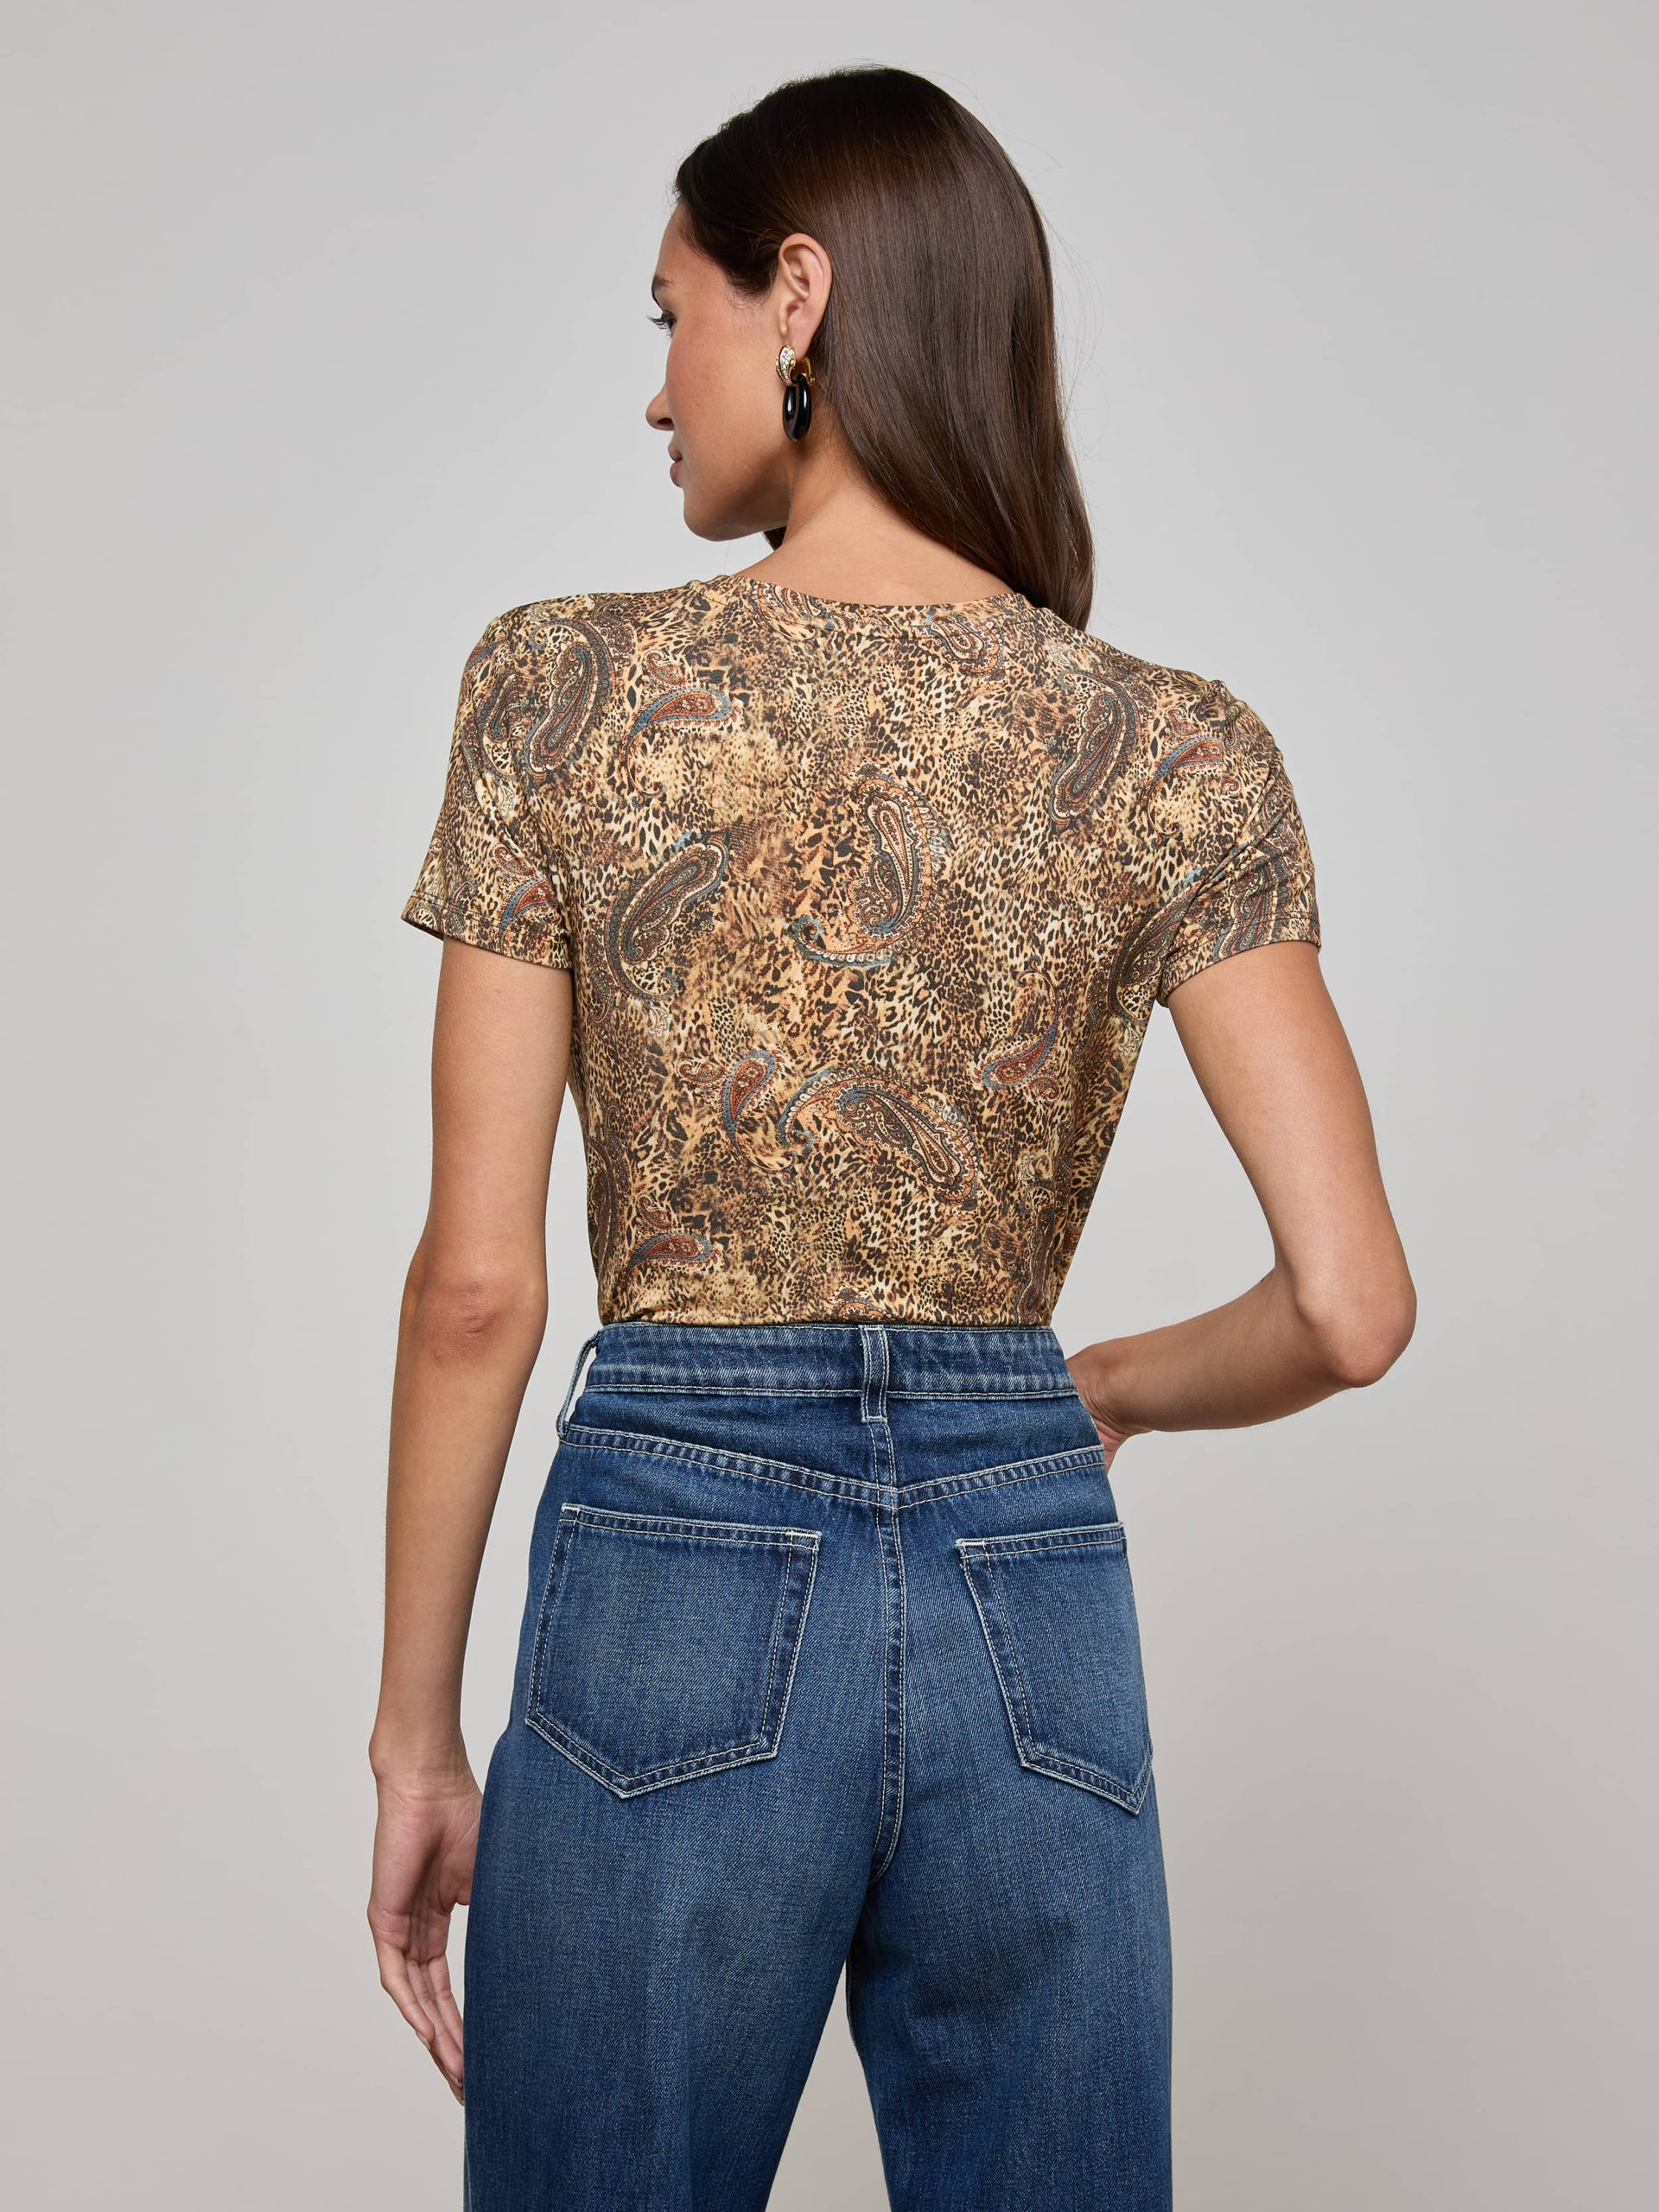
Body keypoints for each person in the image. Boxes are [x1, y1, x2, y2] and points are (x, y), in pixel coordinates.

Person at [368, 62, 1415, 2212]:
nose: (655, 390)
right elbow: (1352, 1307)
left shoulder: (564, 690)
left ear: (798, 293)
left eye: (668, 314)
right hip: (1030, 1560)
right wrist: (1096, 1388)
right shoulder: (1173, 749)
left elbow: (477, 1286)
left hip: (672, 1547)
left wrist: (415, 1734)